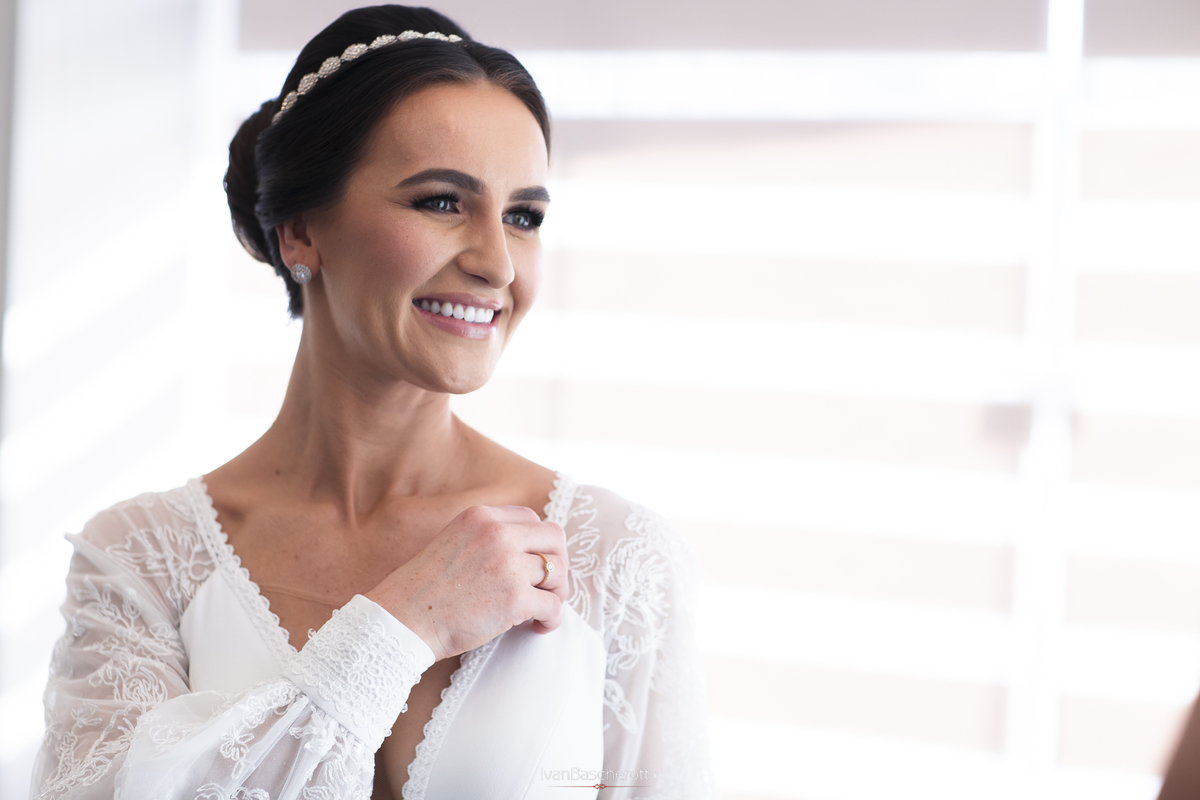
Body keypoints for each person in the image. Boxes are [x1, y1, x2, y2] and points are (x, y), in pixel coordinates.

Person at [29, 6, 715, 799]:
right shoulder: (139, 565)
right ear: (299, 231)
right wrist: (406, 624)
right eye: (442, 201)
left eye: (523, 217)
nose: (498, 263)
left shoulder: (615, 560)